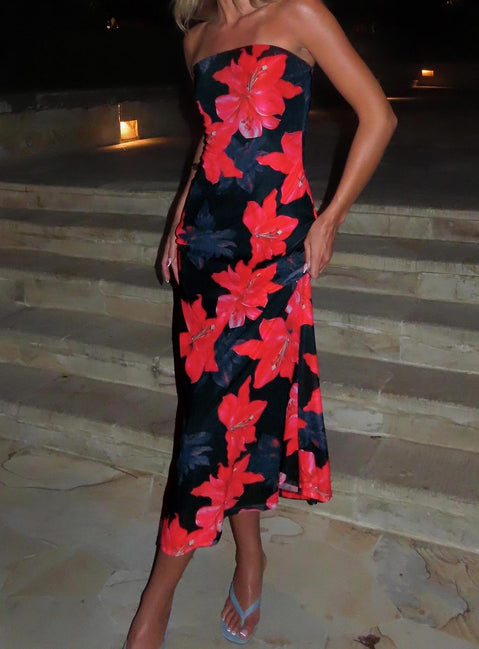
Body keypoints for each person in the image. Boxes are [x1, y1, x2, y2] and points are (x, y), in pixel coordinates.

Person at [122, 1, 397, 647]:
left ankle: (155, 603)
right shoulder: (197, 39)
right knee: (219, 412)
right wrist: (177, 220)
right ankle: (250, 557)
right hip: (203, 249)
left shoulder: (298, 12)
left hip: (271, 249)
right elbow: (210, 140)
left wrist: (329, 220)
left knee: (213, 425)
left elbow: (378, 115)